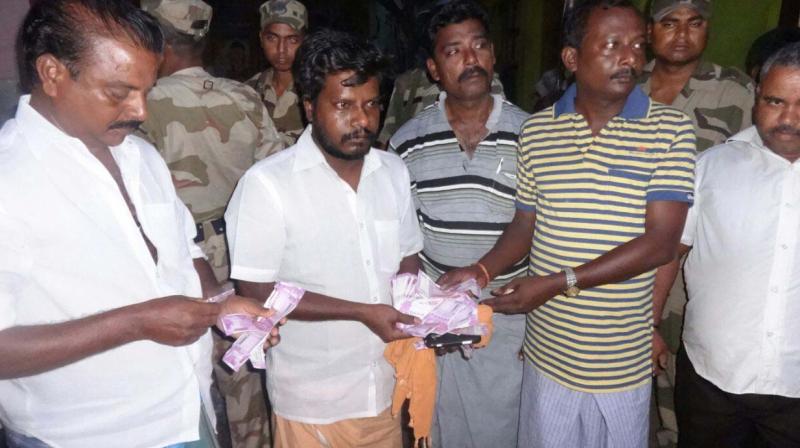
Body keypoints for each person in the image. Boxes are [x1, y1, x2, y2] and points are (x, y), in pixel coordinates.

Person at [0, 1, 278, 447]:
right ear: (52, 73)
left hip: (187, 414)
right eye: (119, 92)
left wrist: (220, 304)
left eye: (148, 90)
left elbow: (182, 248)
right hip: (83, 436)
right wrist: (138, 323)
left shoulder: (140, 155)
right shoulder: (10, 179)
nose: (141, 111)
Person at [440, 1, 696, 446]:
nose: (631, 58)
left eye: (637, 45)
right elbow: (524, 225)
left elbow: (661, 243)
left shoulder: (670, 129)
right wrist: (480, 272)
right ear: (573, 58)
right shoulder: (538, 132)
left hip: (619, 363)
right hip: (548, 355)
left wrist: (559, 283)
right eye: (613, 44)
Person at [225, 29, 424, 448]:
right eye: (344, 106)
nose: (362, 120)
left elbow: (408, 255)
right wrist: (362, 312)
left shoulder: (392, 172)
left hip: (386, 388)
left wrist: (420, 303)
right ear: (310, 107)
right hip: (312, 402)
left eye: (371, 105)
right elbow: (257, 290)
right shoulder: (267, 185)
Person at [137, 1, 283, 447]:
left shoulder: (144, 105)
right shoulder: (245, 97)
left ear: (156, 41)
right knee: (244, 380)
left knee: (182, 378)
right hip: (245, 252)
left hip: (179, 258)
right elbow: (277, 179)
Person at [388, 2, 528, 447]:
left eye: (479, 46)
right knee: (439, 426)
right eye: (454, 51)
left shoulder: (535, 134)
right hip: (438, 321)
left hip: (507, 316)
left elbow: (541, 226)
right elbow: (401, 235)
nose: (471, 59)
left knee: (505, 428)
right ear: (433, 67)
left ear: (493, 55)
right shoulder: (407, 141)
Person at [655, 42, 800, 448]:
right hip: (711, 380)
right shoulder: (711, 168)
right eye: (776, 101)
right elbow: (670, 252)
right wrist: (648, 325)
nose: (789, 118)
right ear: (756, 95)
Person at [638, 2, 754, 444]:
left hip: (688, 265)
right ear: (651, 31)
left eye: (695, 23)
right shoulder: (625, 84)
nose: (682, 34)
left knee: (677, 377)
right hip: (618, 254)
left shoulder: (738, 92)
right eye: (669, 23)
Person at [246, 0, 307, 147]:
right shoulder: (248, 91)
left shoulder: (320, 90)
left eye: (292, 40)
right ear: (261, 39)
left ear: (304, 41)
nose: (281, 49)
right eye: (272, 38)